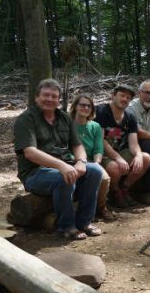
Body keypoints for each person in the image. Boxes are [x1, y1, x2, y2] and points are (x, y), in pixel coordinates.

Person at [14, 79, 103, 240]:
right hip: (35, 173)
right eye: (45, 95)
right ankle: (66, 226)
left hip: (64, 166)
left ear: (59, 100)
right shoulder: (26, 119)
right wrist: (61, 165)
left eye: (54, 96)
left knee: (95, 171)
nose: (50, 99)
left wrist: (81, 161)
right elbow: (30, 152)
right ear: (36, 97)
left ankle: (84, 222)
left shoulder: (64, 118)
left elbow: (77, 146)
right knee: (63, 177)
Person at [96, 84, 150, 208]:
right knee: (114, 167)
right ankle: (114, 191)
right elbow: (101, 141)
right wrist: (118, 158)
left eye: (128, 97)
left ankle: (124, 189)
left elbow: (133, 143)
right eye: (121, 95)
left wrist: (138, 155)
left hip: (121, 151)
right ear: (113, 96)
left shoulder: (130, 117)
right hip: (102, 153)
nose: (124, 99)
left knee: (146, 158)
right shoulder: (101, 111)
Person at [70, 93, 116, 221]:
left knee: (104, 178)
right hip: (72, 161)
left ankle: (101, 208)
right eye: (82, 105)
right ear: (75, 107)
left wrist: (97, 163)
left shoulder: (95, 126)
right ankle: (79, 208)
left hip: (91, 161)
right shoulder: (68, 125)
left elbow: (98, 148)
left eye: (88, 106)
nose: (85, 108)